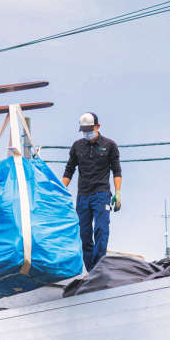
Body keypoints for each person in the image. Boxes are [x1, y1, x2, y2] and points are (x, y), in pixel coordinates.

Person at [63, 111, 122, 272]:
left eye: (89, 129)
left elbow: (116, 171)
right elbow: (69, 170)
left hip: (102, 195)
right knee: (84, 235)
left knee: (101, 230)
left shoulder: (110, 145)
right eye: (84, 130)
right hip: (83, 197)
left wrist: (118, 193)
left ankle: (98, 267)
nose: (87, 133)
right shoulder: (77, 146)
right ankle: (92, 271)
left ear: (97, 126)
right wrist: (60, 191)